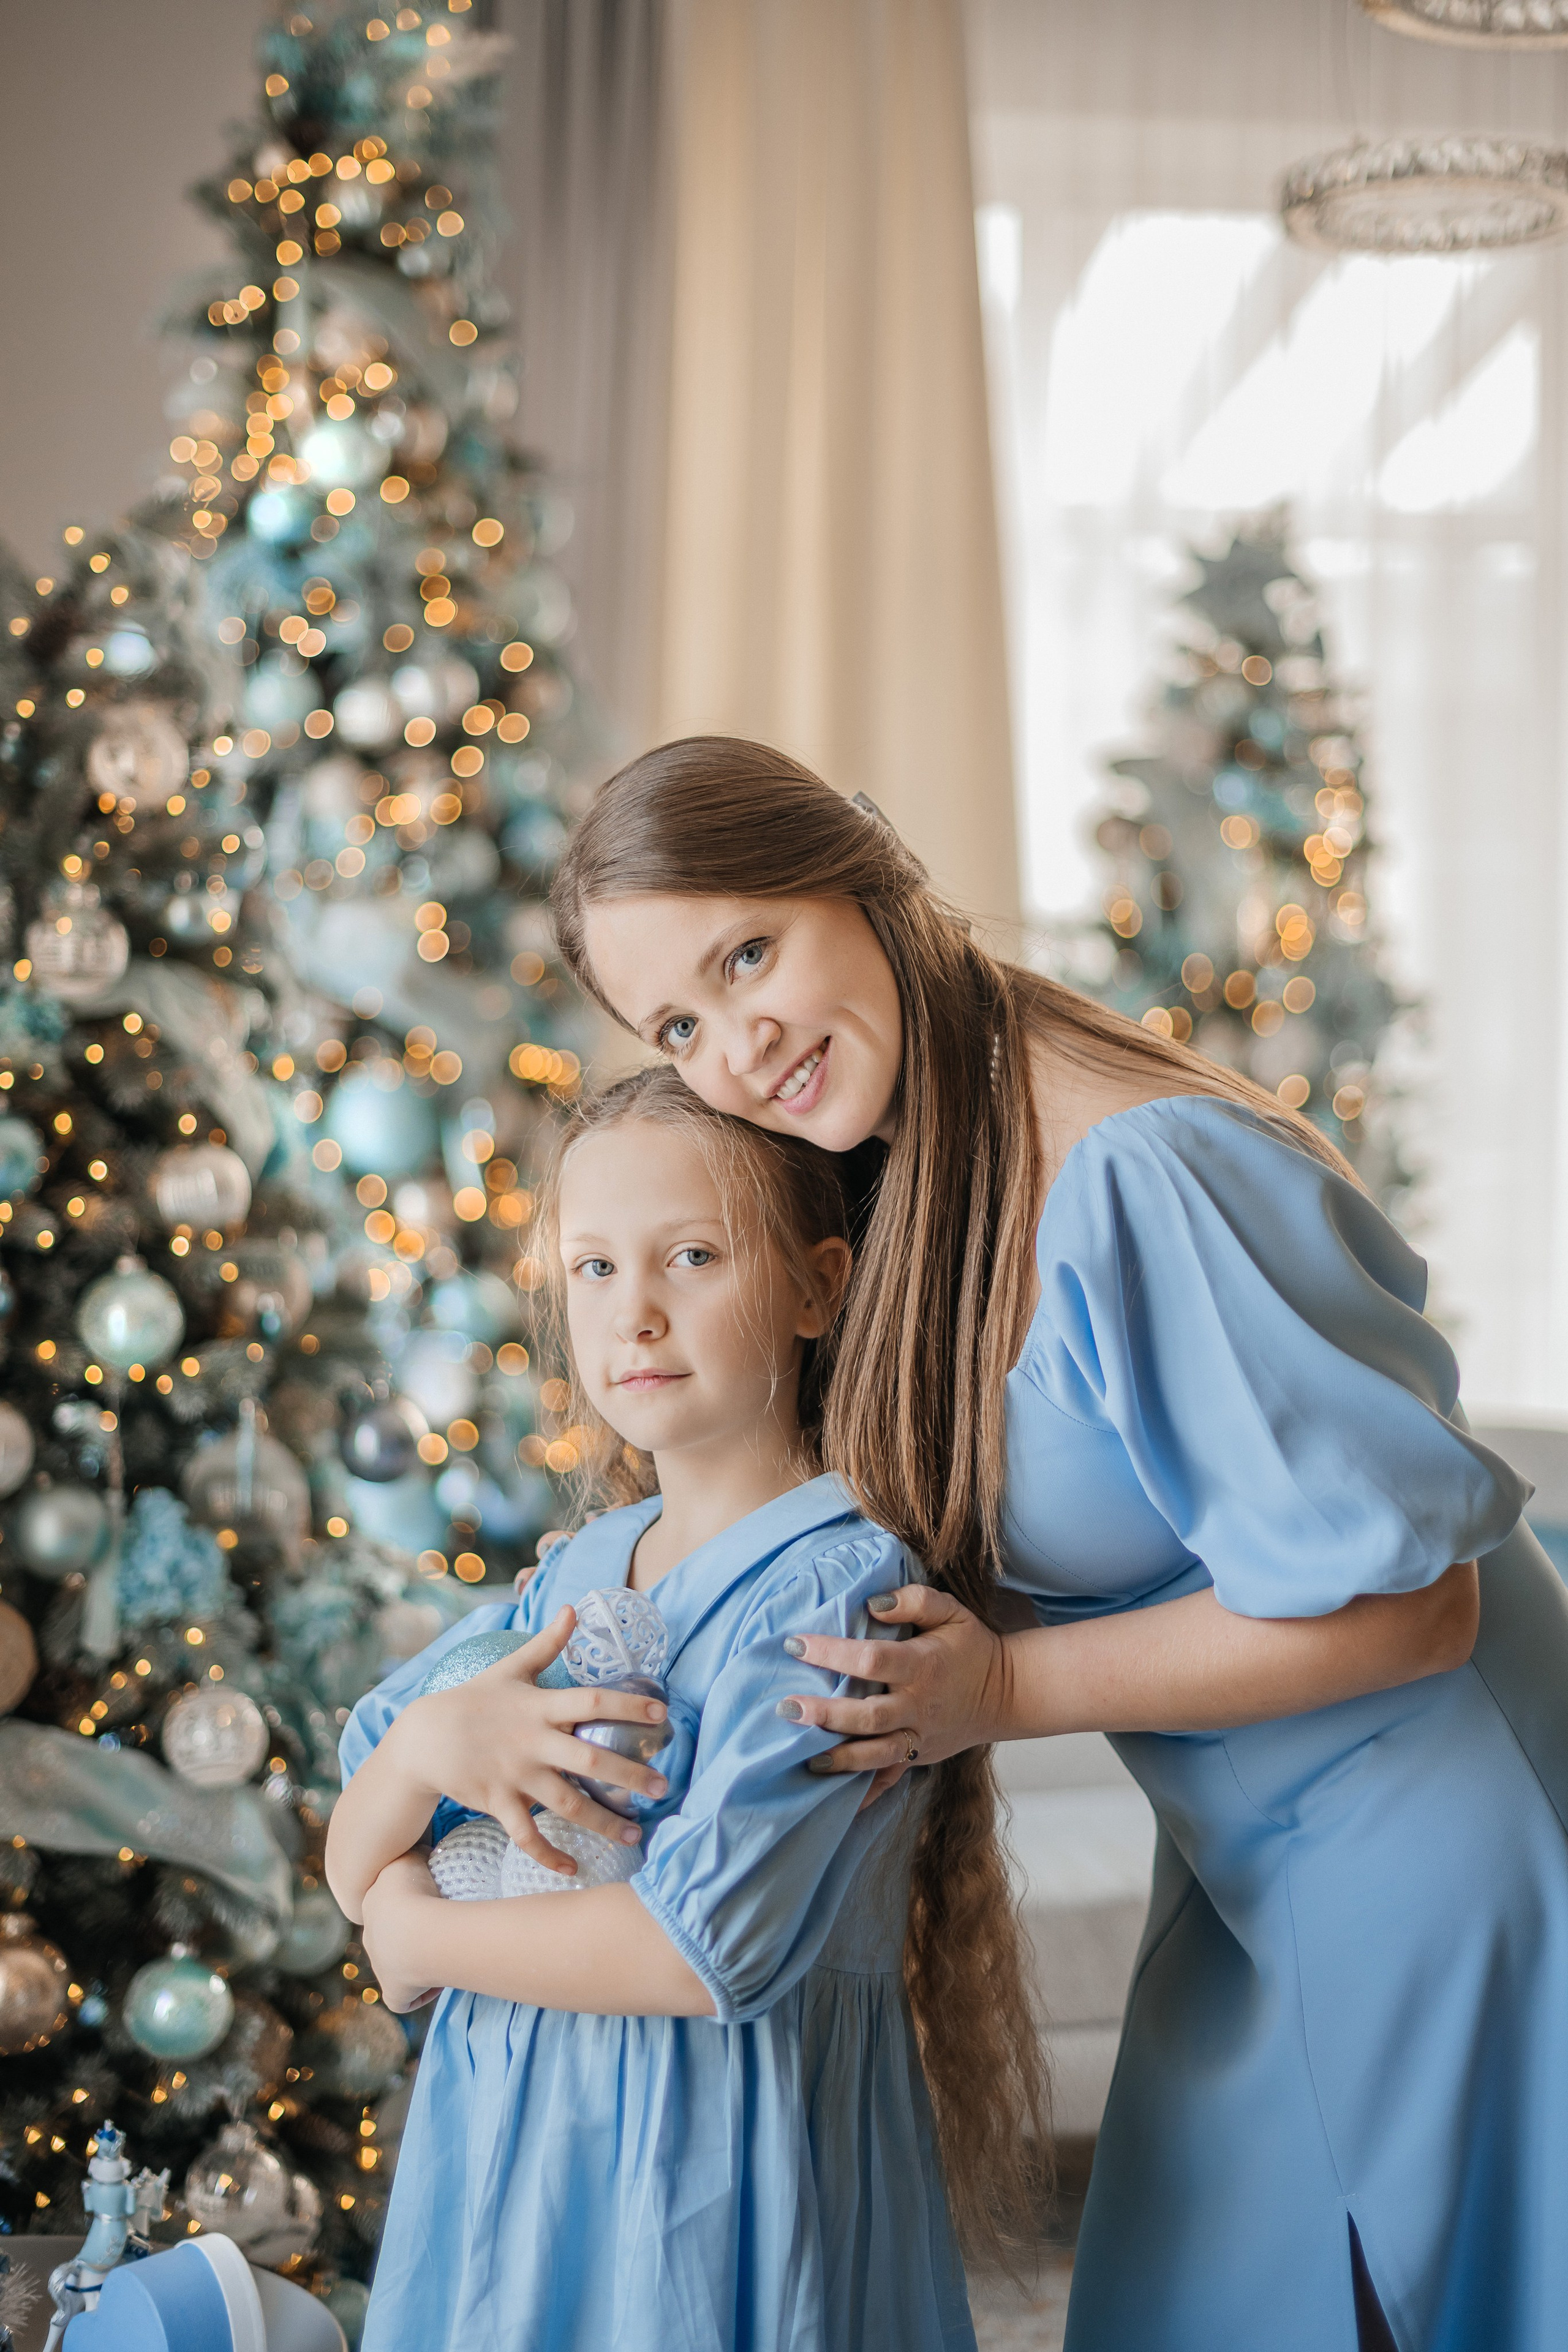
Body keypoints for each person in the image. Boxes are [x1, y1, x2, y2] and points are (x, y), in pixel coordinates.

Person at [551, 736, 1568, 2352]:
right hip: (1251, 1844)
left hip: (1442, 1841)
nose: (738, 1045)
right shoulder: (915, 1168)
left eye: (749, 952)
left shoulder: (1138, 1174)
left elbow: (1419, 1614)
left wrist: (1001, 1688)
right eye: (677, 1021)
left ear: (865, 871)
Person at [326, 1066, 1045, 2352]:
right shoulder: (575, 1573)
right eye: (594, 1268)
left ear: (818, 1286)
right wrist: (432, 1748)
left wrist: (421, 1938)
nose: (635, 1315)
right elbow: (356, 1835)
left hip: (707, 2175)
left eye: (692, 1257)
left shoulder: (838, 1587)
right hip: (508, 2162)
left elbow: (699, 1952)